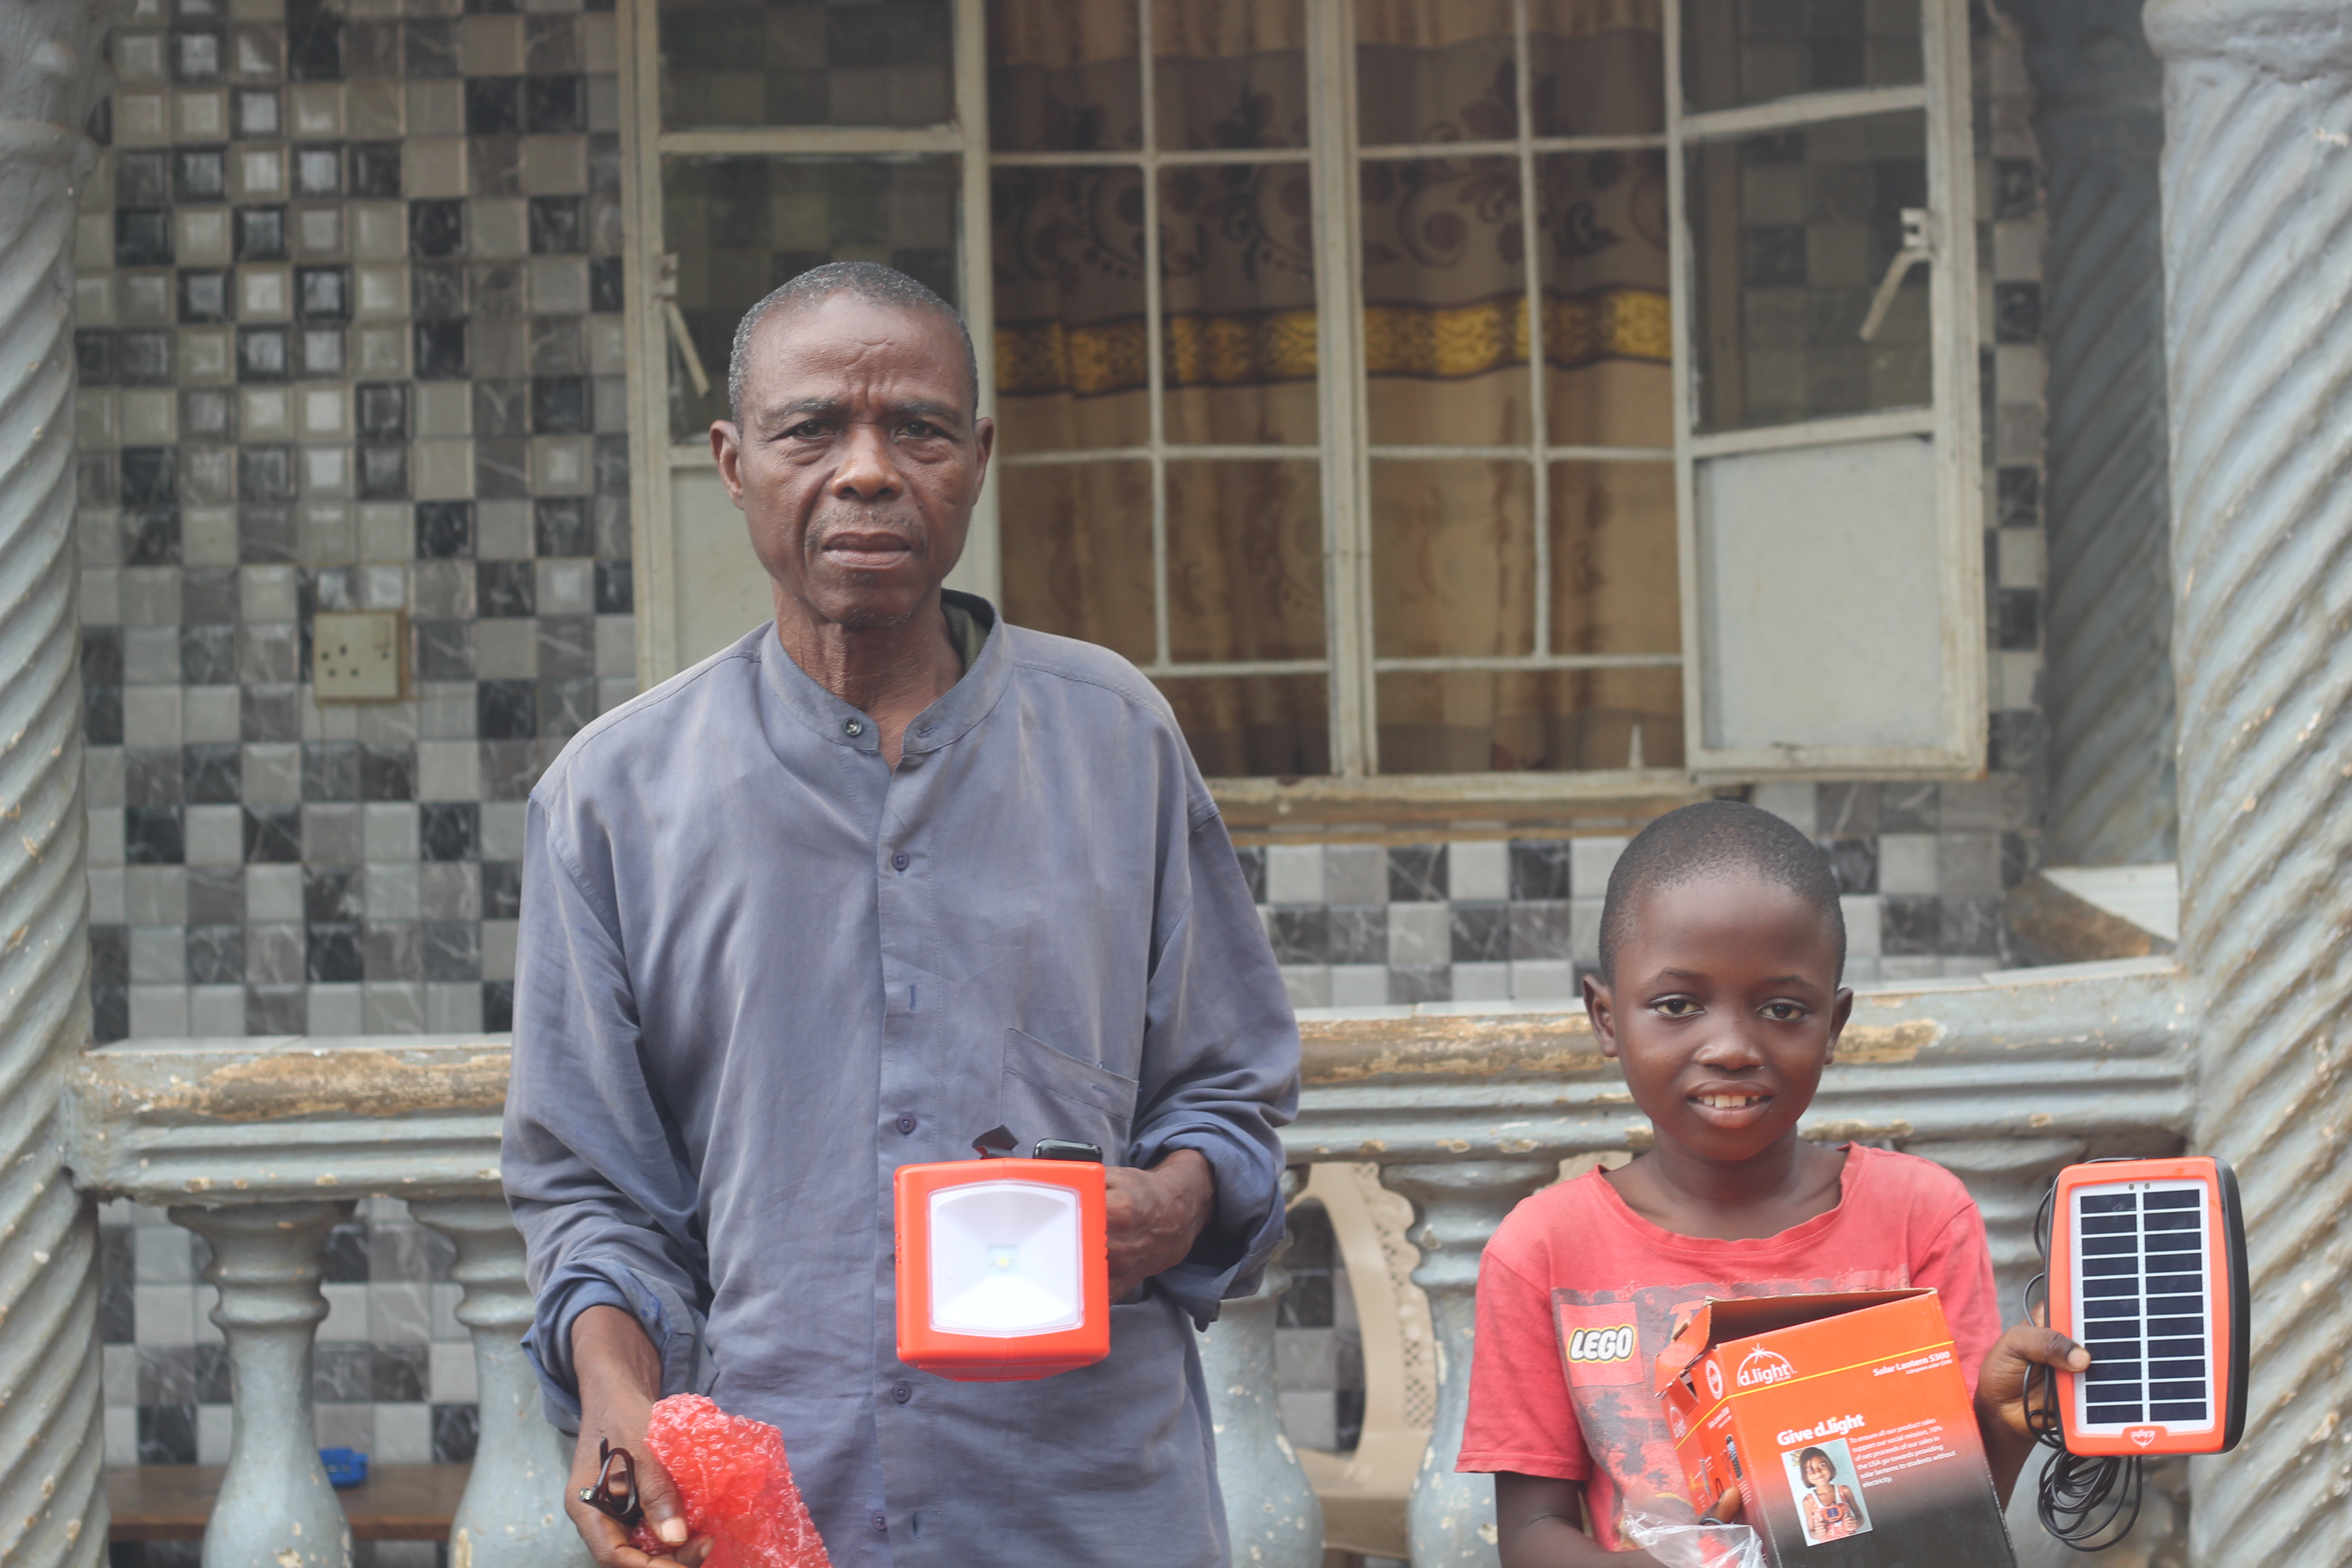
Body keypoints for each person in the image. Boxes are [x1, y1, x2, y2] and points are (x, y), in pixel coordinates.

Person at [502, 261, 1302, 1568]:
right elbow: (592, 1187)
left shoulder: (1115, 737)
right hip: (768, 1504)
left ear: (976, 459)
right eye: (812, 427)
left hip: (1091, 1499)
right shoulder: (612, 795)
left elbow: (1228, 1089)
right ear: (733, 459)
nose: (866, 470)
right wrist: (615, 1399)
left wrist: (1171, 1199)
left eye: (916, 428)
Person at [1455, 800, 2091, 1566]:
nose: (1730, 1047)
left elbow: (1944, 1525)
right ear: (1605, 1017)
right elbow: (1528, 1536)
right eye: (1678, 1005)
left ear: (1834, 1026)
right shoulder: (1544, 1250)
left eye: (1783, 1009)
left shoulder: (1920, 1217)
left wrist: (1998, 1425)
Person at [1793, 1447, 1861, 1541]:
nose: (1818, 1472)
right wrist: (1818, 1533)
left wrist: (1855, 1524)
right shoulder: (1808, 1502)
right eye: (1810, 1470)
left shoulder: (1844, 1491)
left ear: (1829, 1466)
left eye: (1821, 1466)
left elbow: (1861, 1518)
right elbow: (1811, 1532)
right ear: (1805, 1475)